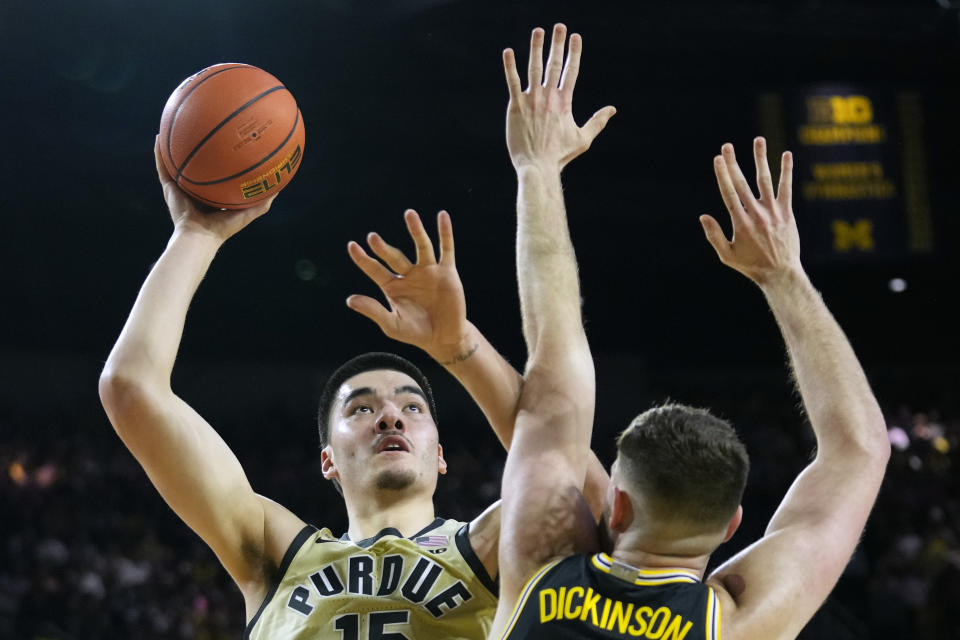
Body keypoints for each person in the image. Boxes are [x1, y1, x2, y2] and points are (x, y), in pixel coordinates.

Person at [489, 25, 891, 640]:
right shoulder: (738, 623)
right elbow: (860, 448)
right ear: (733, 524)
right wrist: (786, 276)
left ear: (615, 505)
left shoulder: (540, 575)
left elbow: (554, 368)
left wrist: (536, 168)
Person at [99, 146, 521, 637]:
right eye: (361, 407)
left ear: (442, 455)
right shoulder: (276, 553)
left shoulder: (494, 547)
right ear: (328, 461)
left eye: (412, 405)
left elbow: (575, 473)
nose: (391, 416)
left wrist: (461, 347)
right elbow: (131, 388)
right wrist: (196, 234)